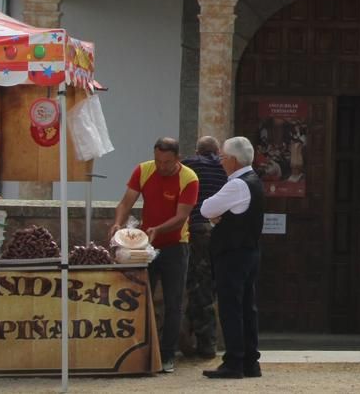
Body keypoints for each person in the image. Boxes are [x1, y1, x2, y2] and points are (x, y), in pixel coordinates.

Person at [112, 136, 198, 373]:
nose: (162, 166)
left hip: (175, 245)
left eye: (167, 162)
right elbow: (126, 202)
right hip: (145, 247)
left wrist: (159, 229)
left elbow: (182, 216)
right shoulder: (143, 170)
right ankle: (140, 352)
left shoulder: (189, 178)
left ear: (177, 159)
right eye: (158, 160)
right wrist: (118, 224)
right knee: (140, 299)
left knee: (173, 303)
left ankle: (168, 355)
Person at [201, 136, 265, 379]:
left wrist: (215, 216)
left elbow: (207, 208)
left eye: (223, 158)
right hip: (249, 252)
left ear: (233, 160)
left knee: (231, 308)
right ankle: (250, 361)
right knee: (247, 307)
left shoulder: (237, 185)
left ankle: (234, 362)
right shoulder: (254, 181)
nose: (221, 162)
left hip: (232, 254)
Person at [183, 135, 227, 361]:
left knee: (199, 287)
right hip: (220, 234)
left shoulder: (188, 164)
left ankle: (205, 343)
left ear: (197, 151)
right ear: (218, 151)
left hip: (196, 230)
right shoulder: (225, 168)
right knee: (210, 287)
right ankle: (204, 340)